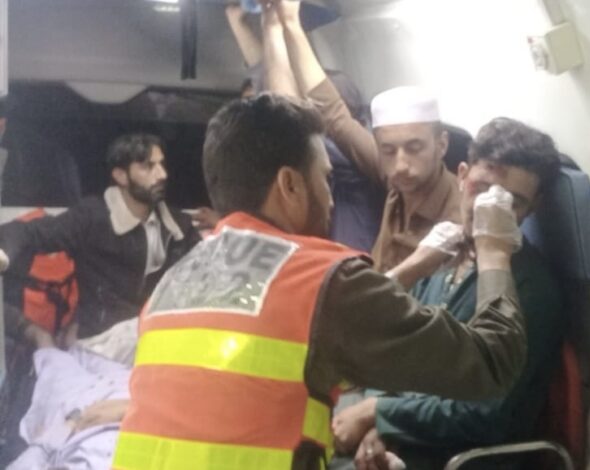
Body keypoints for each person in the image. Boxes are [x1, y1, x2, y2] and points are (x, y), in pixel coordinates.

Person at [113, 94, 529, 470]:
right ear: (290, 185)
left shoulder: (174, 281)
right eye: (326, 180)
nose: (331, 199)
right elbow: (492, 363)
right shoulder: (324, 281)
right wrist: (493, 250)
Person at [331, 118, 566, 470]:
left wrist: (379, 413)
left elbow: (485, 415)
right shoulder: (441, 255)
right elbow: (396, 345)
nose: (488, 209)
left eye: (510, 203)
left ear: (533, 207)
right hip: (406, 434)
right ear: (461, 176)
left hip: (456, 454)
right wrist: (379, 423)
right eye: (481, 189)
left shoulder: (532, 290)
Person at [269, 0, 459, 271]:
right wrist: (289, 23)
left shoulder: (458, 215)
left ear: (442, 144)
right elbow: (334, 115)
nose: (400, 165)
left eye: (414, 148)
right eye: (388, 151)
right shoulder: (396, 179)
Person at [0, 133, 201, 344]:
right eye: (148, 167)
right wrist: (4, 253)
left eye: (161, 164)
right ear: (121, 176)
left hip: (155, 335)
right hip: (101, 340)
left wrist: (219, 221)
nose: (162, 174)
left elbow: (208, 267)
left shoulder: (177, 225)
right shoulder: (92, 217)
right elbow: (30, 232)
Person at [221, 1, 385, 252]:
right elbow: (273, 92)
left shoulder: (353, 163)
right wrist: (257, 22)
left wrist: (279, 25)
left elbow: (289, 119)